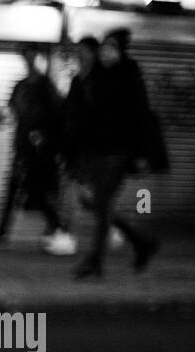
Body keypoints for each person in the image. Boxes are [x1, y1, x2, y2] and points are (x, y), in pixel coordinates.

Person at [65, 28, 163, 279]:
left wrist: (141, 154)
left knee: (102, 204)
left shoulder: (130, 76)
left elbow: (141, 116)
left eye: (112, 48)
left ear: (121, 51)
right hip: (95, 152)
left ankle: (95, 261)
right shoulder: (95, 77)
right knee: (94, 203)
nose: (106, 53)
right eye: (104, 48)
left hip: (118, 152)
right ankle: (141, 241)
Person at [0, 44, 74, 256]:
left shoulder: (46, 87)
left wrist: (45, 139)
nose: (29, 62)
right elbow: (11, 112)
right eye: (26, 57)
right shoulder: (21, 86)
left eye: (33, 57)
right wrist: (0, 118)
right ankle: (2, 231)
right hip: (22, 147)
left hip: (40, 152)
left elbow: (57, 116)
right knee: (15, 187)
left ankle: (57, 225)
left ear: (40, 59)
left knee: (36, 191)